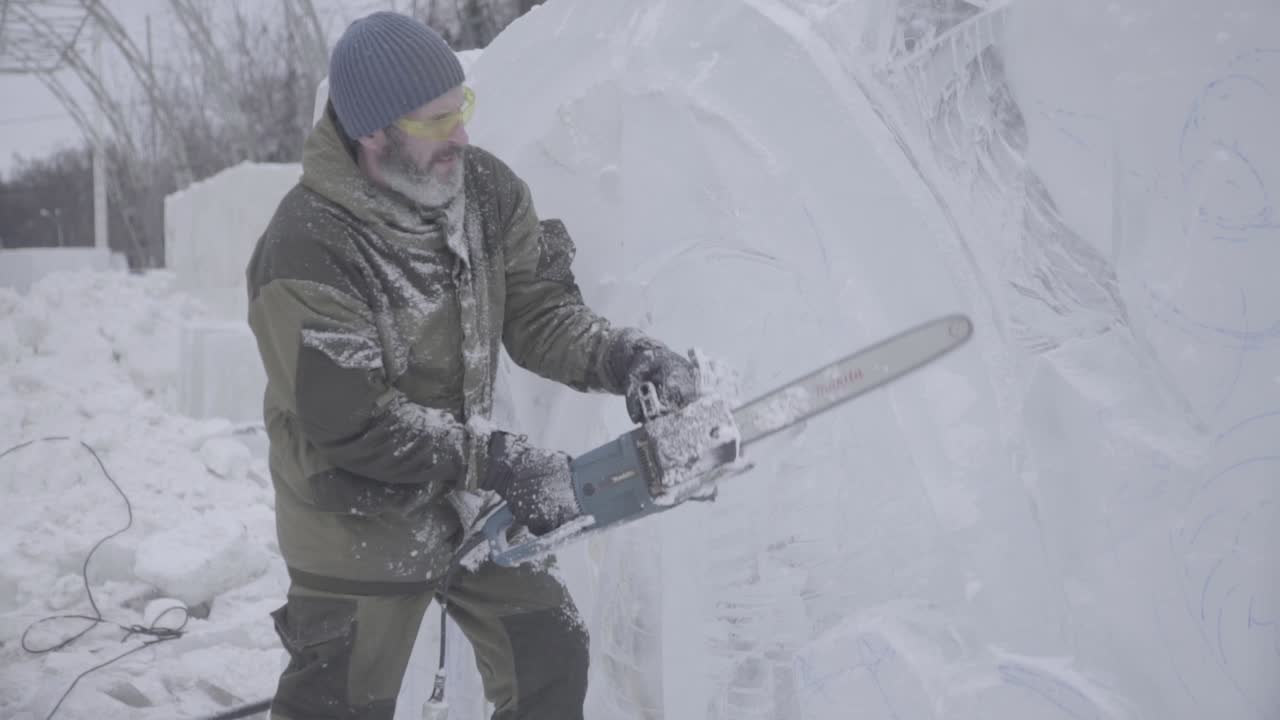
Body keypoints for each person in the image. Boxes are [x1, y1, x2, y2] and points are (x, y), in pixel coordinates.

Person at [244, 10, 699, 720]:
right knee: (337, 702)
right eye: (435, 121)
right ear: (372, 132)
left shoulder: (484, 191)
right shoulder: (308, 247)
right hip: (354, 513)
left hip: (465, 497)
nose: (460, 134)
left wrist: (620, 356)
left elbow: (538, 311)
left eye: (462, 111)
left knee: (551, 655)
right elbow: (351, 422)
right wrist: (501, 461)